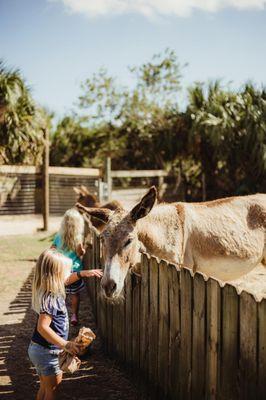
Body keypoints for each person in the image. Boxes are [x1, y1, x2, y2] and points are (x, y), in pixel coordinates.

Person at [28, 248, 102, 400]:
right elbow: (42, 327)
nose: (68, 276)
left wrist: (82, 273)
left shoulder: (46, 288)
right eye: (65, 272)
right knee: (52, 391)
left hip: (39, 349)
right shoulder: (52, 297)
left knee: (44, 387)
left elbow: (67, 279)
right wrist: (65, 344)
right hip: (48, 352)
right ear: (55, 275)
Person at [51, 208, 87, 326]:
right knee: (74, 294)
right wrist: (84, 250)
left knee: (60, 293)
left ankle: (59, 314)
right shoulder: (78, 239)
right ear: (78, 224)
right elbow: (79, 253)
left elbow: (52, 250)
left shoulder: (58, 236)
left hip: (60, 268)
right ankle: (74, 315)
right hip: (74, 271)